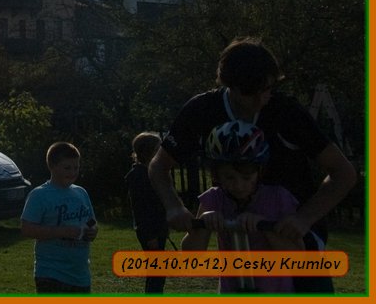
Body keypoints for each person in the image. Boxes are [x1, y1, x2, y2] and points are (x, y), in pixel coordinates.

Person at [149, 37, 356, 293]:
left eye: (267, 89)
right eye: (250, 92)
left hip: (292, 240)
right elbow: (159, 165)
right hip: (238, 244)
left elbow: (343, 173)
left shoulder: (286, 112)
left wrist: (303, 218)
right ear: (229, 85)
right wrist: (174, 207)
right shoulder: (202, 110)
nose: (261, 99)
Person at [180, 120, 302, 293]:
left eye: (246, 178)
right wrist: (204, 222)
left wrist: (265, 227)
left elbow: (297, 257)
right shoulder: (214, 198)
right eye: (229, 178)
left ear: (259, 172)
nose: (238, 185)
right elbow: (191, 254)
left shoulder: (278, 198)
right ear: (216, 175)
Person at [20, 141, 98, 294]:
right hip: (51, 274)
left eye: (76, 167)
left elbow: (91, 220)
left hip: (80, 274)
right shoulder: (40, 195)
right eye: (67, 168)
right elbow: (27, 229)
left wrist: (92, 230)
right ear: (52, 166)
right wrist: (63, 232)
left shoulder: (81, 193)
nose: (73, 172)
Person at [125, 131, 169, 294]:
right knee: (156, 273)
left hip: (158, 227)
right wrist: (150, 236)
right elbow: (140, 209)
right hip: (150, 230)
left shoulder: (150, 173)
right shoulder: (139, 177)